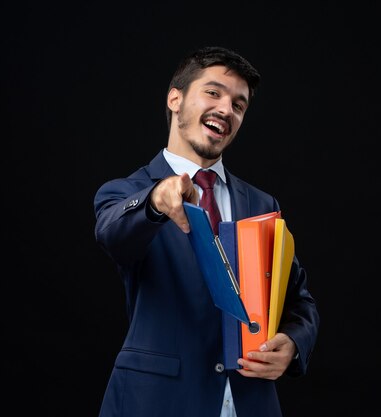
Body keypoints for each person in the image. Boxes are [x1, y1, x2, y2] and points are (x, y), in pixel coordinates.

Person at [93, 46, 320, 417]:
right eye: (213, 93)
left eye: (239, 104)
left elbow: (299, 300)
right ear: (175, 99)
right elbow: (113, 234)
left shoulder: (263, 204)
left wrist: (294, 343)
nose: (226, 109)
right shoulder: (125, 192)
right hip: (157, 403)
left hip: (251, 403)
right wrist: (155, 201)